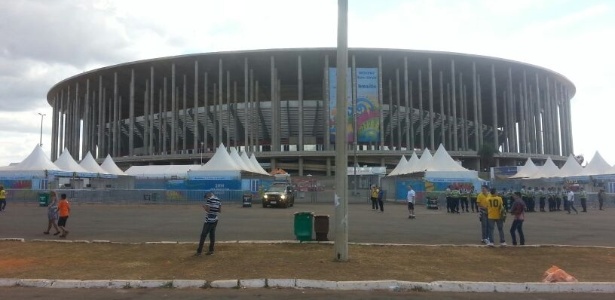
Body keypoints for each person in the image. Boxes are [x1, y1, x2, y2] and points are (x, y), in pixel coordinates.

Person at [195, 192, 222, 256]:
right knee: (212, 235)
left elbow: (208, 210)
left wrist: (204, 207)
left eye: (206, 197)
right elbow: (219, 211)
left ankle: (199, 251)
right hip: (215, 219)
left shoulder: (209, 199)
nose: (206, 198)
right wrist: (214, 209)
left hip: (209, 220)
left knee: (203, 235)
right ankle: (211, 250)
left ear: (208, 195)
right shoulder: (218, 199)